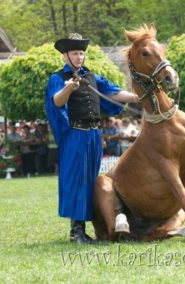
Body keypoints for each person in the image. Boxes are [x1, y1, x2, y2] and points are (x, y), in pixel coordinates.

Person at [45, 33, 138, 244]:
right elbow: (56, 102)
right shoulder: (57, 78)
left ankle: (94, 226)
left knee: (90, 181)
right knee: (76, 180)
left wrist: (136, 97)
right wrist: (68, 88)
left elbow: (114, 93)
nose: (79, 57)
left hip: (94, 136)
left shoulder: (91, 76)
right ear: (65, 56)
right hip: (74, 135)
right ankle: (76, 231)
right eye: (75, 53)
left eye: (81, 53)